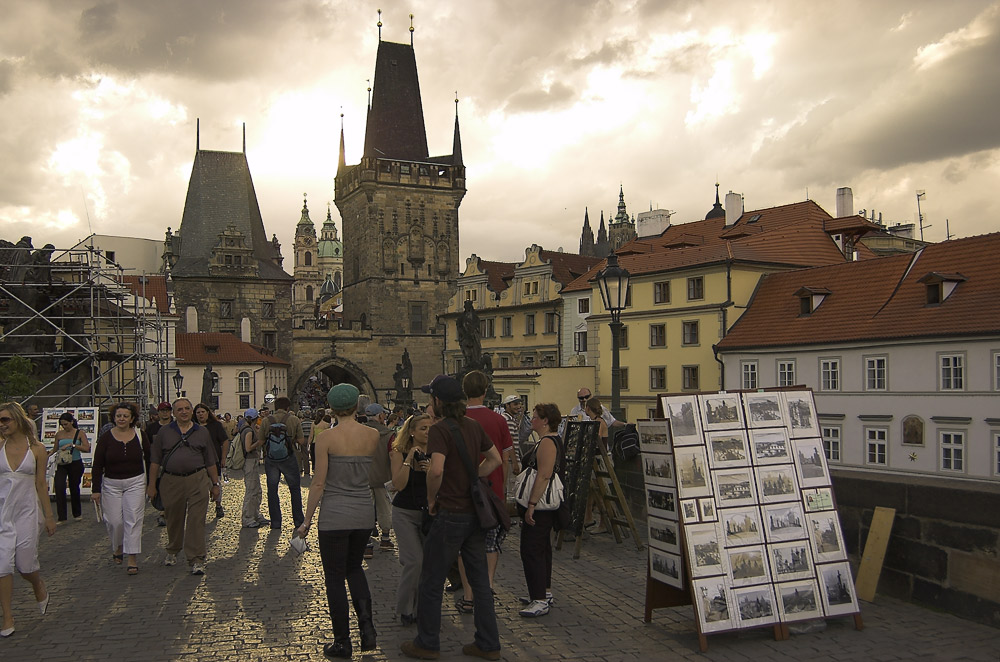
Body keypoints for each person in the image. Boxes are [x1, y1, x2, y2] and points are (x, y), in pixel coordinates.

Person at [401, 376, 502, 661]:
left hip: (451, 513)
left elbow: (436, 471)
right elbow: (495, 459)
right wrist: (473, 478)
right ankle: (488, 643)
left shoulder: (440, 430)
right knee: (480, 581)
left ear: (438, 402)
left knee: (431, 580)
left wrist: (433, 499)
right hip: (475, 514)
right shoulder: (474, 426)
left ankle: (427, 642)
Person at [297, 384, 378, 659]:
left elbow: (319, 482)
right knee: (355, 568)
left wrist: (306, 520)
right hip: (364, 511)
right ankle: (367, 628)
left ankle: (342, 641)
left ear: (331, 409)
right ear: (357, 406)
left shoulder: (326, 439)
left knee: (334, 577)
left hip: (334, 515)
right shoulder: (373, 435)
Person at [458, 370, 515, 608]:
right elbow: (506, 458)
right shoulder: (499, 420)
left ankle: (469, 594)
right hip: (492, 490)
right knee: (491, 543)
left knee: (464, 545)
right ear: (484, 391)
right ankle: (488, 586)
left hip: (461, 492)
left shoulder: (457, 420)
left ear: (464, 391)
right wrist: (501, 488)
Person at [146, 398, 220, 575]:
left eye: (187, 408)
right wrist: (151, 485)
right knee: (174, 518)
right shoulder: (164, 432)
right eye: (180, 409)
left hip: (198, 478)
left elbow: (210, 459)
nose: (184, 412)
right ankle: (173, 549)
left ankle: (196, 558)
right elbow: (155, 460)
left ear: (192, 411)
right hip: (172, 480)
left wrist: (215, 484)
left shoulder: (202, 432)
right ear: (174, 413)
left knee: (196, 520)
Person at [0, 402, 56, 637]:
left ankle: (37, 584)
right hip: (2, 513)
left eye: (5, 420)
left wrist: (49, 515)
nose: (2, 424)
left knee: (25, 565)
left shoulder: (37, 449)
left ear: (18, 420)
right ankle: (7, 616)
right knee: (2, 565)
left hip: (27, 512)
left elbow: (41, 483)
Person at [518, 403, 565, 618]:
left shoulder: (547, 442)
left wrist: (532, 504)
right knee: (542, 548)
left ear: (545, 421)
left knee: (532, 548)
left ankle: (539, 599)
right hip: (546, 506)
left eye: (535, 417)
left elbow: (544, 475)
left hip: (543, 506)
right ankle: (543, 592)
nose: (532, 420)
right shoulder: (551, 440)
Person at [91, 402, 148, 575]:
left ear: (132, 418)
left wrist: (152, 484)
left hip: (135, 481)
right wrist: (95, 489)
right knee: (115, 521)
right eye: (118, 416)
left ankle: (132, 557)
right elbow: (97, 464)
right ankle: (118, 545)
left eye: (125, 416)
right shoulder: (106, 437)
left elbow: (151, 459)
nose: (121, 419)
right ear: (114, 418)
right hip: (111, 483)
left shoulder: (140, 435)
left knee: (133, 519)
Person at [389, 413, 432, 625]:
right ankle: (405, 609)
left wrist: (432, 471)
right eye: (423, 428)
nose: (427, 432)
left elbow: (443, 486)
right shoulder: (399, 452)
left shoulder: (437, 453)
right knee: (414, 560)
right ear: (412, 432)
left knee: (427, 564)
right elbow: (398, 484)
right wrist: (408, 460)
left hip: (428, 514)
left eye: (430, 428)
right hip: (404, 512)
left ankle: (421, 608)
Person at [257, 396, 305, 531]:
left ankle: (276, 522)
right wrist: (290, 439)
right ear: (288, 408)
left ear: (275, 406)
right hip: (289, 457)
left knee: (272, 490)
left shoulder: (266, 420)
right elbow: (301, 441)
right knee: (294, 489)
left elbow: (261, 441)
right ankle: (298, 520)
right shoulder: (294, 419)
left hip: (271, 460)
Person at [49, 412, 90, 522]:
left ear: (71, 422)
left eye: (66, 424)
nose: (64, 427)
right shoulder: (59, 434)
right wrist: (46, 456)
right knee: (59, 487)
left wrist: (73, 445)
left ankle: (77, 513)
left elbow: (86, 448)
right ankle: (62, 516)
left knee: (74, 487)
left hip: (75, 462)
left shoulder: (79, 433)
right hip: (62, 463)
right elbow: (54, 449)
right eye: (62, 425)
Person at [364, 403, 394, 554]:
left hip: (364, 478)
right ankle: (386, 539)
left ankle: (367, 543)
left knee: (367, 509)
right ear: (380, 416)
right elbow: (392, 457)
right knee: (385, 509)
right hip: (383, 477)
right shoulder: (389, 434)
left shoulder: (360, 432)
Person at [194, 404, 229, 519]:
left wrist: (223, 458)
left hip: (214, 460)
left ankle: (218, 505)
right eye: (198, 412)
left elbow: (224, 441)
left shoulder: (216, 426)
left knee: (216, 483)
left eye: (202, 412)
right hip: (198, 462)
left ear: (207, 413)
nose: (200, 414)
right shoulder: (192, 427)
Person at [236, 409, 269, 529]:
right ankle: (248, 518)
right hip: (249, 461)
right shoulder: (248, 431)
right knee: (251, 491)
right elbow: (248, 448)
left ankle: (255, 514)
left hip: (252, 461)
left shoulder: (248, 428)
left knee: (256, 490)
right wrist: (259, 442)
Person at [583, 396, 611, 534]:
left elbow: (596, 440)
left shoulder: (598, 422)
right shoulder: (595, 421)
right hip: (596, 460)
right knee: (591, 491)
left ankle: (604, 523)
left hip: (600, 461)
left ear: (588, 408)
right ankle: (588, 518)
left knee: (601, 493)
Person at [144, 402, 173, 527]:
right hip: (156, 463)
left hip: (172, 463)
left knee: (171, 489)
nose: (165, 412)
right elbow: (147, 447)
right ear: (158, 412)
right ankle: (163, 511)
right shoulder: (151, 428)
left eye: (167, 410)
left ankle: (166, 513)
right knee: (159, 488)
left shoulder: (176, 426)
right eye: (162, 410)